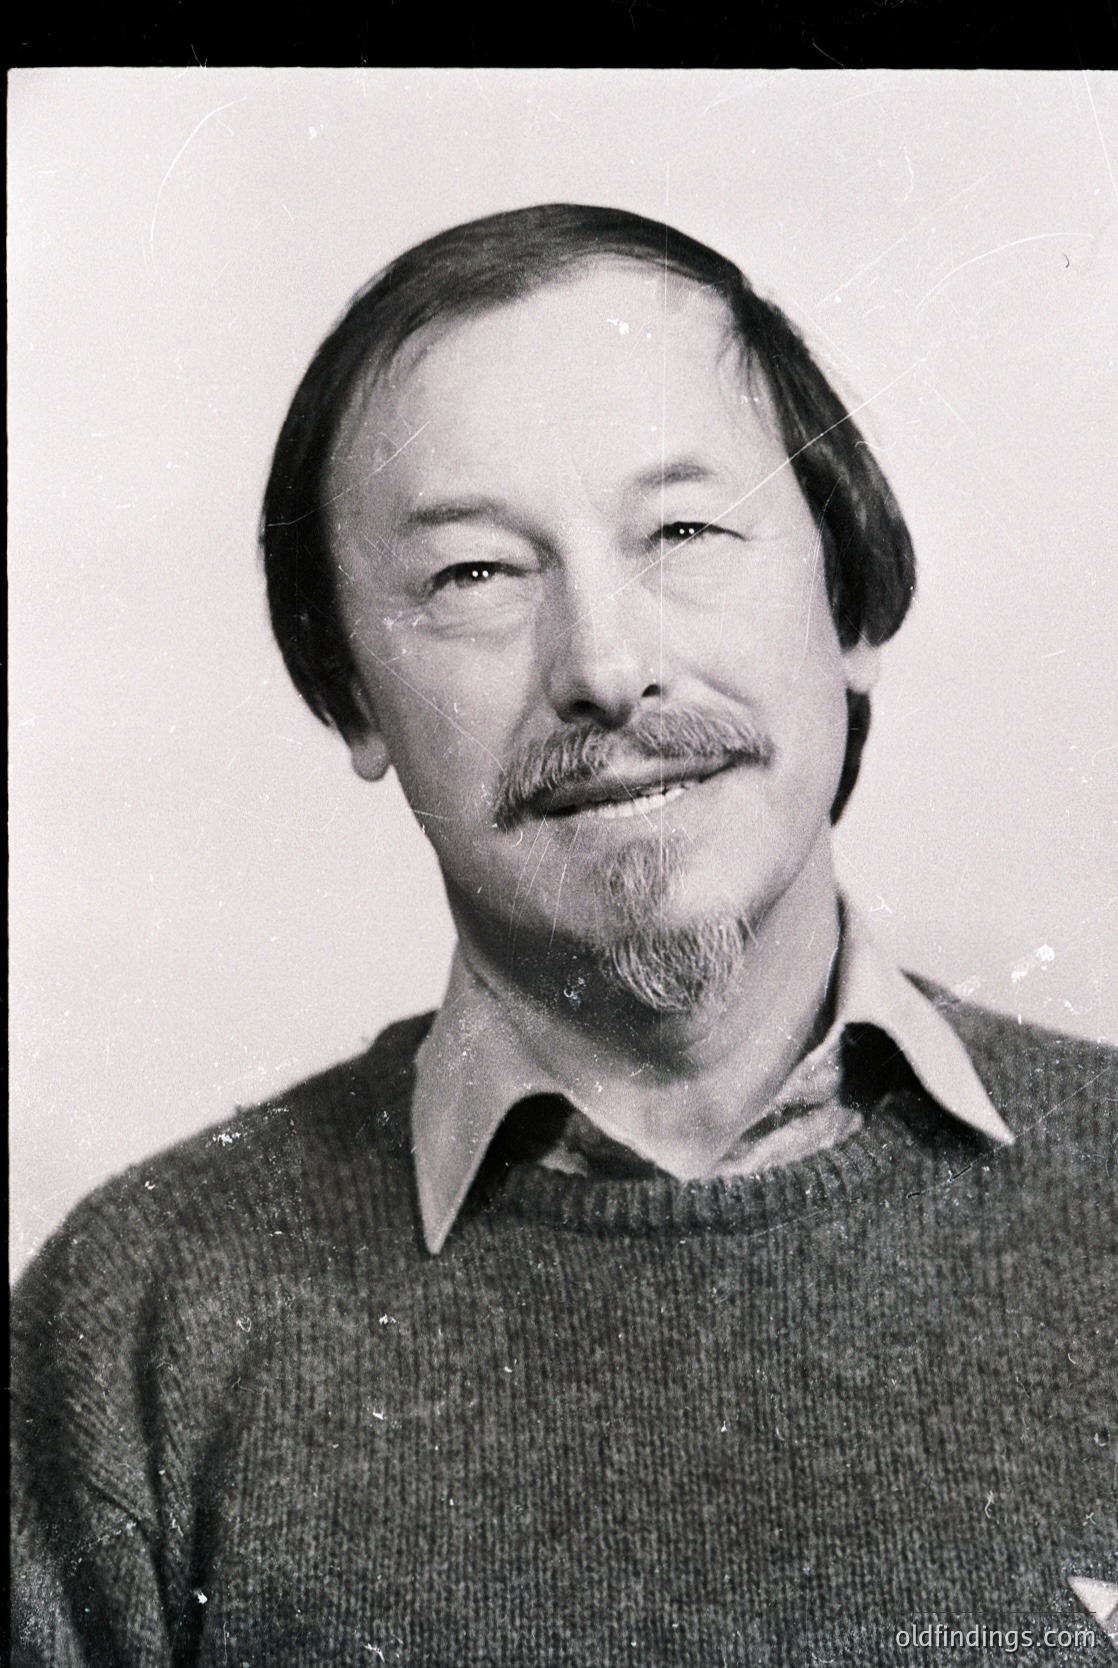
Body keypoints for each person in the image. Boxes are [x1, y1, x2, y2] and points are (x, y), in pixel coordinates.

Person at [12, 205, 1116, 1666]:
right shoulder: (134, 1326)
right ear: (350, 698)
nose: (603, 665)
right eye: (473, 574)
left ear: (847, 602)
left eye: (685, 531)